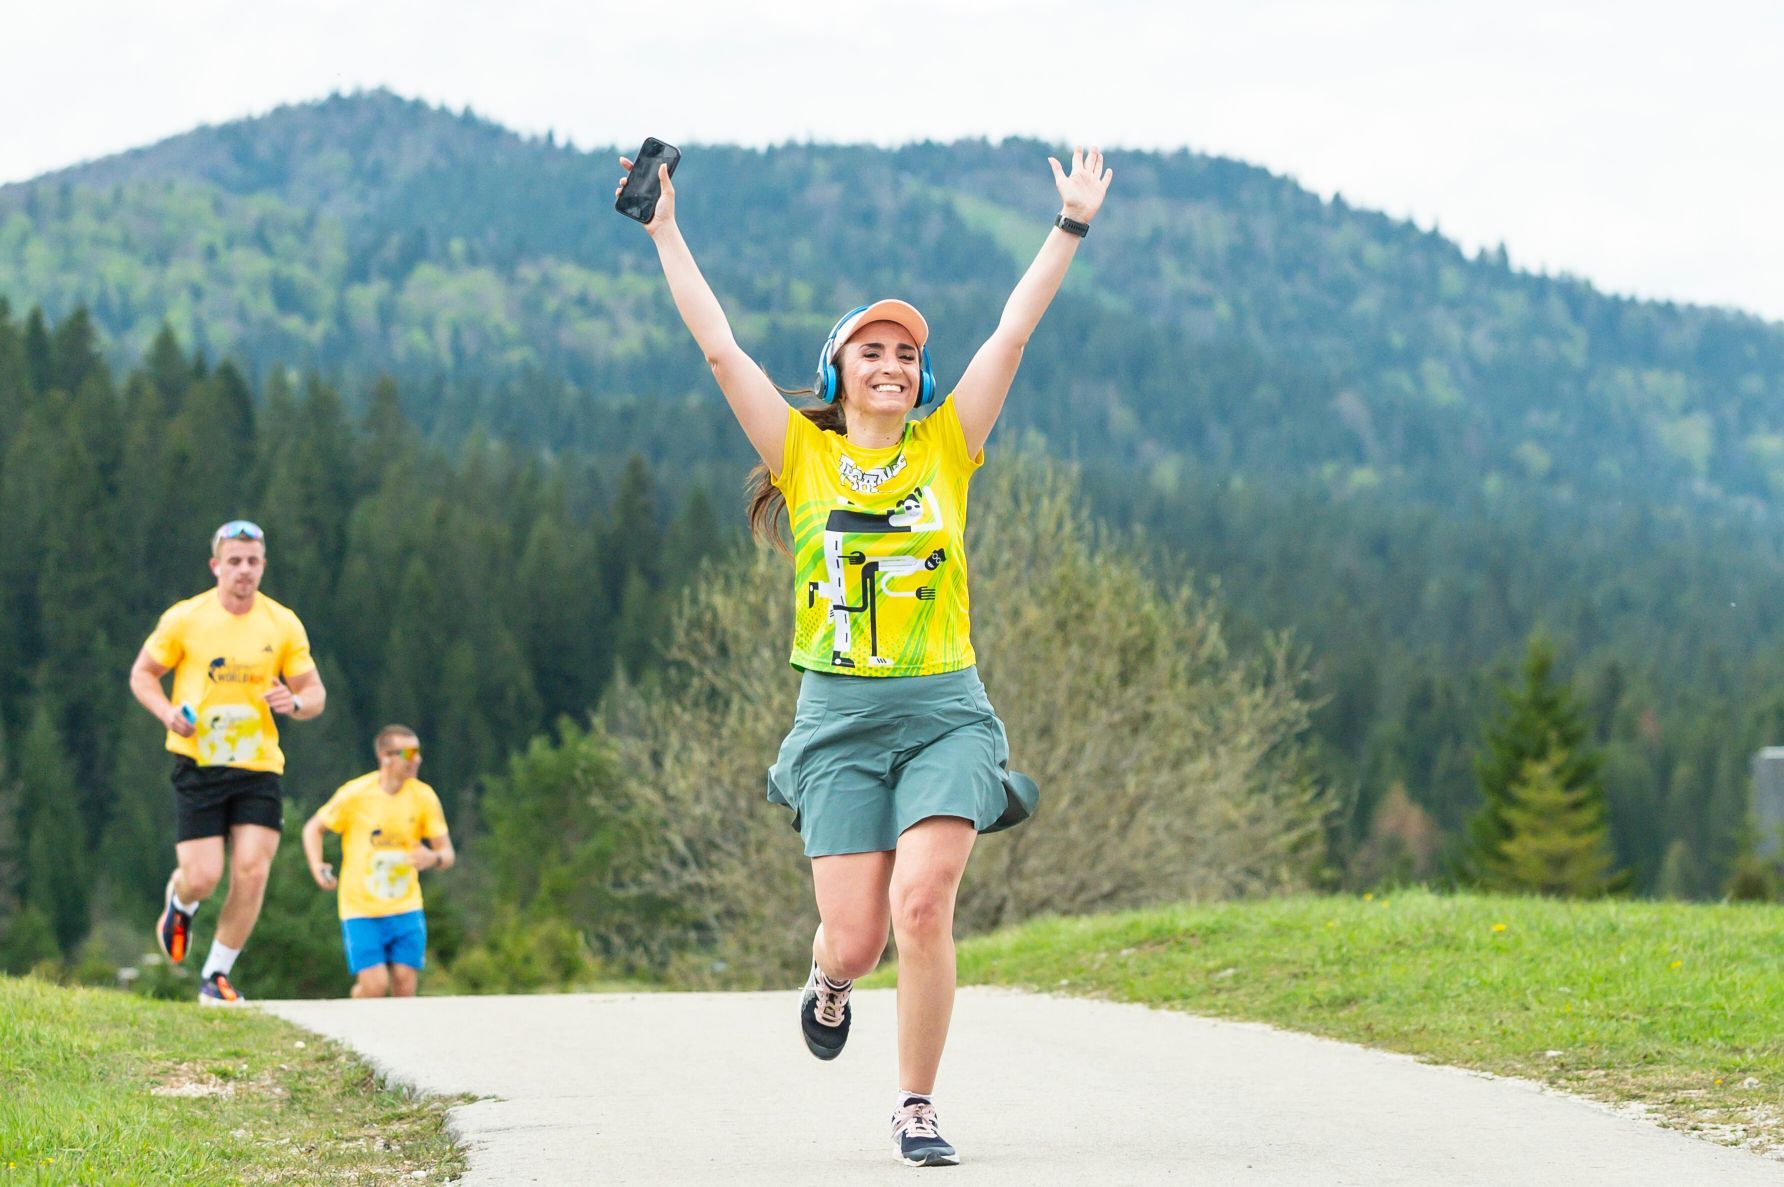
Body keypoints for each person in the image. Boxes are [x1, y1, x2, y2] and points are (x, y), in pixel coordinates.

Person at [618, 145, 1112, 1166]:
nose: (890, 365)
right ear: (838, 376)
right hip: (837, 718)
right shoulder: (800, 454)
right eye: (869, 353)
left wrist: (1067, 225)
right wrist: (665, 228)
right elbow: (718, 349)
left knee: (920, 902)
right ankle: (832, 976)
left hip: (941, 707)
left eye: (903, 354)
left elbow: (1013, 333)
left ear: (918, 376)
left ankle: (915, 1104)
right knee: (855, 937)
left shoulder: (946, 444)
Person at [129, 519, 327, 1005]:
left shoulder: (282, 623)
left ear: (263, 567)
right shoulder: (186, 618)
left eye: (253, 562)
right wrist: (167, 713)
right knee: (204, 876)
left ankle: (215, 975)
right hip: (198, 761)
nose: (244, 571)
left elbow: (315, 692)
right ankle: (181, 901)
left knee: (253, 870)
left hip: (258, 765)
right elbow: (143, 675)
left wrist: (295, 704)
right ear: (216, 566)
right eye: (234, 561)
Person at [301, 725, 454, 998]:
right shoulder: (356, 793)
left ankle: (400, 1038)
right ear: (386, 756)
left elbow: (447, 854)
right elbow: (314, 828)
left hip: (406, 904)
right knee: (374, 986)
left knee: (405, 984)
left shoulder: (424, 797)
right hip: (361, 907)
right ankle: (357, 1004)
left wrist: (433, 857)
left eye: (418, 752)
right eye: (408, 752)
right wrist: (317, 864)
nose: (416, 759)